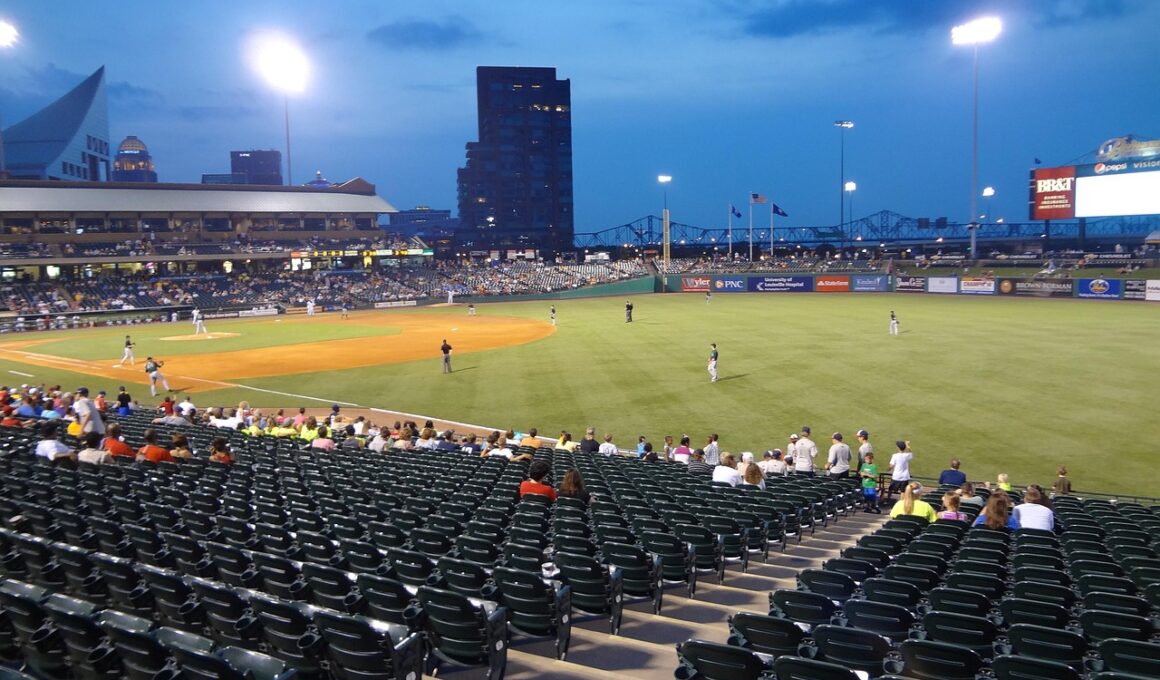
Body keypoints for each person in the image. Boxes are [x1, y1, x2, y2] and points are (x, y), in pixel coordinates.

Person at [886, 440, 913, 504]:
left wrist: (888, 469)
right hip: (904, 477)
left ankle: (888, 500)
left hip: (896, 476)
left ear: (898, 448)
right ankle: (901, 503)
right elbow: (910, 452)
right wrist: (907, 446)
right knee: (903, 491)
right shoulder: (907, 455)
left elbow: (891, 465)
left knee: (890, 489)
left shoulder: (895, 455)